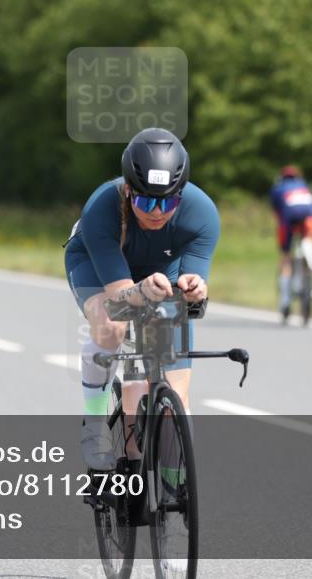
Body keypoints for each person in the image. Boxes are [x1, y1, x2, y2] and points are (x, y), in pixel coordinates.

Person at [64, 128, 219, 471]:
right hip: (96, 264)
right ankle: (94, 426)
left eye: (169, 201)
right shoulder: (102, 208)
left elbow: (194, 291)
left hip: (161, 271)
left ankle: (173, 490)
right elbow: (121, 299)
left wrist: (196, 288)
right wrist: (142, 291)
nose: (157, 212)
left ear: (182, 194)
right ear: (128, 189)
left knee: (175, 392)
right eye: (146, 201)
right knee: (111, 326)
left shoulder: (202, 214)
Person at [269, 165, 312, 321]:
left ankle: (285, 299)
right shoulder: (304, 186)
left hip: (289, 218)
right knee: (307, 240)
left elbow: (277, 213)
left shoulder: (278, 188)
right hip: (310, 217)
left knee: (286, 256)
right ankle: (310, 265)